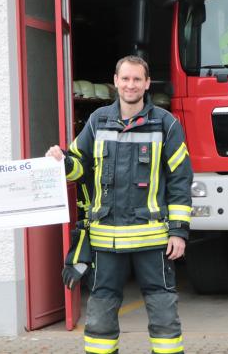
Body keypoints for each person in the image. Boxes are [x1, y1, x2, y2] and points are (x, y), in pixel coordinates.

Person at [46, 55, 192, 354]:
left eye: (137, 79)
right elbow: (78, 167)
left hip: (152, 240)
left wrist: (178, 231)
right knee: (100, 313)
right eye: (125, 78)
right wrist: (62, 161)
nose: (130, 85)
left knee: (163, 310)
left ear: (147, 83)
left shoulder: (166, 124)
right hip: (106, 239)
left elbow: (180, 179)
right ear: (115, 81)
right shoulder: (97, 121)